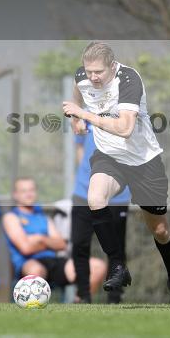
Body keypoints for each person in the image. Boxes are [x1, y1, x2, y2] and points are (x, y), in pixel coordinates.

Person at [62, 42, 170, 308]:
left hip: (144, 162)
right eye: (89, 71)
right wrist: (75, 119)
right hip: (110, 158)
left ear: (112, 66)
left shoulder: (129, 79)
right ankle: (118, 265)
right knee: (95, 198)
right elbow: (77, 92)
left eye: (98, 72)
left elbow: (125, 128)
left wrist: (84, 114)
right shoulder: (83, 76)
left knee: (161, 230)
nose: (93, 77)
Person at [3, 177, 106, 296]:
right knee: (35, 271)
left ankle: (80, 302)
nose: (29, 194)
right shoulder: (11, 217)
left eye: (31, 190)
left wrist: (39, 239)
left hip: (53, 262)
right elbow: (26, 248)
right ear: (15, 195)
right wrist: (48, 243)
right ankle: (33, 309)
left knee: (98, 266)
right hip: (28, 263)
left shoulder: (44, 218)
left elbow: (61, 244)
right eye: (24, 191)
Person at [72, 122, 130, 303]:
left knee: (116, 246)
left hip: (117, 195)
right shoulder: (85, 112)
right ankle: (83, 295)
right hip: (83, 192)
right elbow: (79, 147)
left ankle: (115, 297)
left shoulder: (128, 112)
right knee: (79, 244)